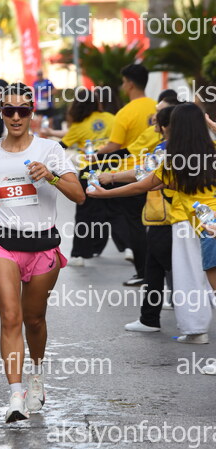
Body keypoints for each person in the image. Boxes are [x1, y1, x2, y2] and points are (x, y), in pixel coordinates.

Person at [0, 82, 84, 423]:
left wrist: (52, 176)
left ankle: (36, 375)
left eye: (23, 111)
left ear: (32, 113)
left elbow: (79, 195)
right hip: (1, 242)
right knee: (10, 316)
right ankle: (15, 395)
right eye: (9, 111)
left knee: (34, 319)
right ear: (1, 114)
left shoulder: (50, 149)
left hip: (42, 246)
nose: (16, 117)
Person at [88, 103, 216, 345]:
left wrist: (106, 192)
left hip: (186, 222)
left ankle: (196, 330)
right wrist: (212, 126)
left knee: (188, 279)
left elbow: (142, 184)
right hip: (210, 223)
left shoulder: (172, 160)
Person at [95, 64, 157, 286]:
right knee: (156, 225)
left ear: (130, 83)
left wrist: (95, 154)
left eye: (123, 82)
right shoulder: (157, 107)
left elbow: (114, 146)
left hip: (130, 174)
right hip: (158, 174)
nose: (122, 86)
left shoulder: (125, 112)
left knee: (136, 225)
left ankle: (142, 272)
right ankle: (156, 274)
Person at [46, 88, 115, 264]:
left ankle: (79, 254)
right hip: (114, 169)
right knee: (112, 211)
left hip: (90, 171)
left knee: (85, 212)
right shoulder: (111, 118)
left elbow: (61, 146)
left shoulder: (79, 125)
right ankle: (113, 247)